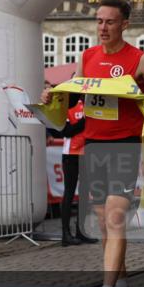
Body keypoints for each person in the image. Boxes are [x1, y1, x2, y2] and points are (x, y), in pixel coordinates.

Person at [40, 0, 144, 287]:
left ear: (124, 24)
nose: (102, 27)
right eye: (99, 21)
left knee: (114, 219)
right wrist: (52, 95)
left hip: (125, 146)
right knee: (103, 224)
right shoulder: (87, 57)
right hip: (94, 146)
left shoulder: (140, 59)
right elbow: (75, 94)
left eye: (110, 22)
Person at [56, 99, 96, 246]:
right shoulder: (67, 106)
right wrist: (85, 121)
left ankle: (81, 231)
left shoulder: (89, 105)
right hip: (71, 154)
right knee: (69, 192)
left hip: (87, 153)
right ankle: (65, 234)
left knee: (84, 193)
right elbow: (66, 131)